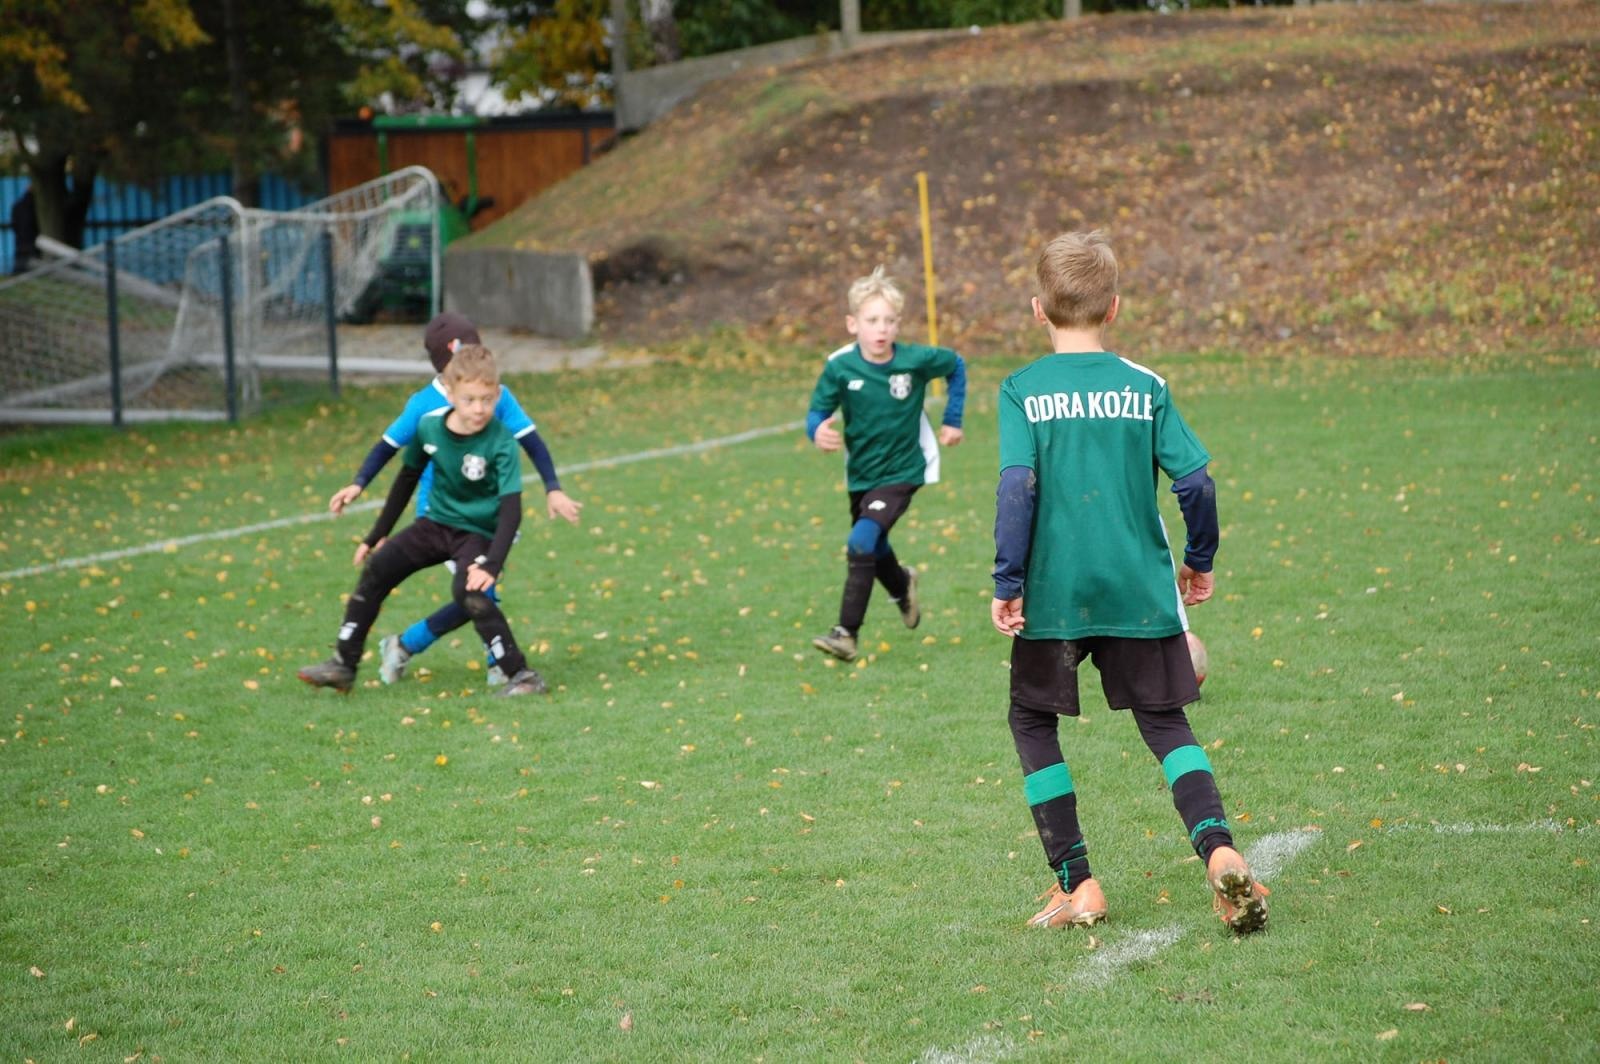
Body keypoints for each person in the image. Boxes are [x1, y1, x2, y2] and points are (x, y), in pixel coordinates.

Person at [990, 230, 1268, 935]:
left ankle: (1078, 884)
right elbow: (1196, 482)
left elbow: (1017, 485)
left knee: (1032, 720)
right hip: (1138, 588)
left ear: (1038, 309)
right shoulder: (1145, 386)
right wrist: (1200, 558)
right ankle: (1220, 851)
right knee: (1165, 720)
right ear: (1113, 307)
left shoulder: (1021, 389)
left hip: (1055, 590)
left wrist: (1008, 579)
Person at [326, 312, 581, 684]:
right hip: (437, 511)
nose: (478, 406)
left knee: (476, 588)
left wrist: (553, 488)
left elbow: (532, 443)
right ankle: (476, 658)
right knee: (474, 589)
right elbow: (391, 452)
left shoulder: (494, 399)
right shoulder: (424, 409)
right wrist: (360, 485)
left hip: (486, 512)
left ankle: (422, 647)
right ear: (446, 375)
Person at [806, 265, 967, 662]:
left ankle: (846, 633)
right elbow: (817, 411)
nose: (881, 329)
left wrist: (952, 420)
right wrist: (817, 431)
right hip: (862, 473)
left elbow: (956, 366)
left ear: (898, 324)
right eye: (872, 320)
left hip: (903, 471)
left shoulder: (914, 360)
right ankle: (902, 586)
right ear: (853, 324)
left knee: (860, 542)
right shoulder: (840, 367)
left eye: (889, 321)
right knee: (872, 546)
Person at [10, 187, 39, 274]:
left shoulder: (17, 206)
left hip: (20, 241)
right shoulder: (36, 206)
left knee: (20, 265)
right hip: (34, 241)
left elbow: (14, 225)